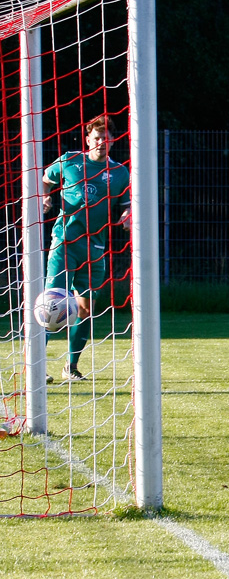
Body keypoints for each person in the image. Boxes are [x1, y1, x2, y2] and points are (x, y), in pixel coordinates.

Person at [42, 115, 131, 381]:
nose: (102, 142)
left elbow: (125, 205)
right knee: (51, 305)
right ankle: (35, 367)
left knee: (85, 309)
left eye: (107, 138)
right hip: (64, 243)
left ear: (113, 140)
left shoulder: (119, 172)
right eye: (97, 137)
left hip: (94, 248)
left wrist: (127, 216)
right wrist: (45, 196)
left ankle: (71, 367)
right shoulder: (70, 161)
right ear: (88, 139)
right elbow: (46, 179)